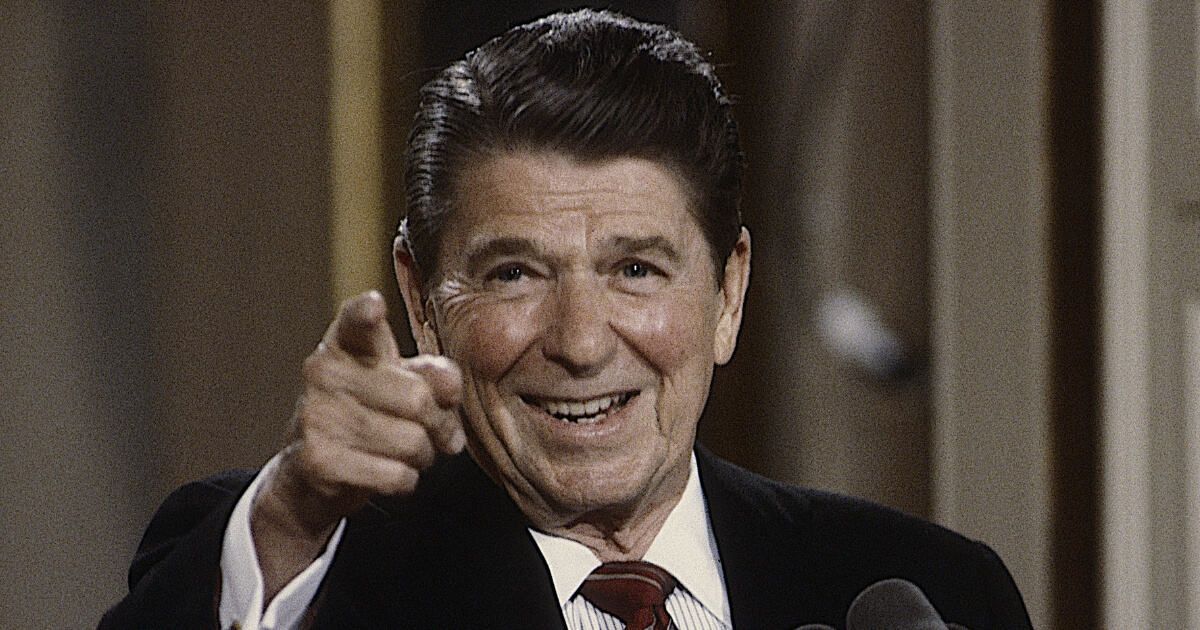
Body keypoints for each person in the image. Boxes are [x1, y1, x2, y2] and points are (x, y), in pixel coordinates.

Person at [100, 9, 1032, 630]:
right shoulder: (313, 573)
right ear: (423, 300)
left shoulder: (926, 591)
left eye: (635, 269)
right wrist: (296, 511)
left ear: (728, 294)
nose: (581, 342)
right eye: (513, 274)